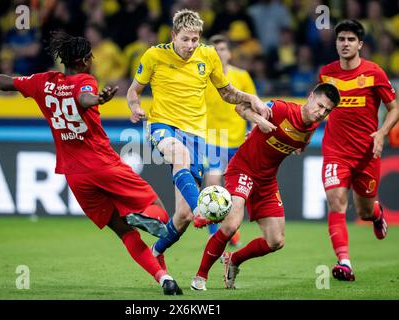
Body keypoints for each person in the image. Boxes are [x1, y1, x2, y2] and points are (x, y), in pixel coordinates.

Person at [0, 31, 183, 296]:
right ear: (82, 61)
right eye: (90, 56)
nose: (92, 60)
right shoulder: (85, 81)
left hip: (75, 175)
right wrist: (98, 100)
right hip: (104, 164)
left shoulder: (43, 82)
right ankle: (141, 218)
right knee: (156, 208)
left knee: (123, 233)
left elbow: (6, 82)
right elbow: (83, 97)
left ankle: (164, 278)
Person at [126, 9, 272, 271]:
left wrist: (251, 99)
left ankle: (156, 251)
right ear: (173, 36)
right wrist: (135, 107)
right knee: (180, 158)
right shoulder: (153, 55)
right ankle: (203, 209)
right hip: (162, 126)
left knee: (182, 216)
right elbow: (133, 91)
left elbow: (226, 92)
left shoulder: (208, 55)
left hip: (195, 135)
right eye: (186, 39)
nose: (191, 45)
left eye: (195, 39)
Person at [190, 83, 341, 291]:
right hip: (243, 169)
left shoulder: (312, 127)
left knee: (276, 241)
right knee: (232, 224)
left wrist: (299, 148)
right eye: (320, 105)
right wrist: (259, 120)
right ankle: (200, 277)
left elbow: (300, 143)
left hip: (267, 180)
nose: (321, 113)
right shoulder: (281, 109)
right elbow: (240, 108)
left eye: (327, 111)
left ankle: (233, 260)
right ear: (310, 96)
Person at [318, 19, 399, 281]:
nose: (345, 43)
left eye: (351, 39)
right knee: (336, 203)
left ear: (360, 44)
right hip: (335, 152)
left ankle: (376, 215)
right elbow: (317, 109)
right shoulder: (326, 74)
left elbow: (395, 108)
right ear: (336, 43)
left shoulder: (374, 73)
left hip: (366, 153)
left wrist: (382, 133)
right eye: (341, 39)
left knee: (364, 210)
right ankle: (344, 262)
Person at [204, 34, 258, 247]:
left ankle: (231, 229)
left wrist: (253, 133)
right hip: (212, 140)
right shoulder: (203, 78)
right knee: (213, 182)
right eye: (215, 50)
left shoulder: (242, 76)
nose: (220, 53)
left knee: (237, 190)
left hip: (238, 141)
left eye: (223, 49)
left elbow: (254, 105)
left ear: (229, 53)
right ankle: (213, 233)